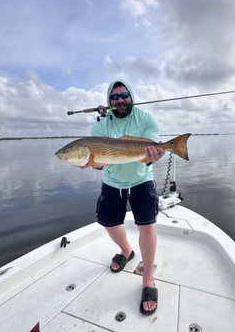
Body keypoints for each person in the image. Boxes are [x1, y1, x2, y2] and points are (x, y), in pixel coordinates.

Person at [80, 80, 165, 315]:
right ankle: (127, 251)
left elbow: (150, 149)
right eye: (114, 97)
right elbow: (100, 163)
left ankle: (148, 278)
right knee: (109, 223)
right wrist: (91, 164)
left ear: (131, 96)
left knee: (146, 226)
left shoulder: (145, 119)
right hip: (113, 181)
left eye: (124, 95)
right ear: (109, 102)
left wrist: (153, 155)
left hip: (141, 179)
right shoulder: (100, 127)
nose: (120, 100)